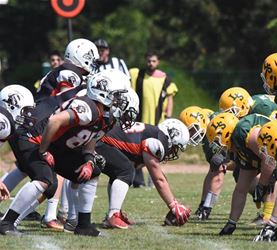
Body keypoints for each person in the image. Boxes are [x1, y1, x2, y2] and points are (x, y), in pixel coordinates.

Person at [0, 69, 133, 237]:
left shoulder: (104, 116)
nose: (118, 100)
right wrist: (43, 150)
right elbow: (55, 120)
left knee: (93, 173)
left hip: (55, 145)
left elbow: (90, 141)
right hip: (33, 137)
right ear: (103, 92)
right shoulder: (88, 107)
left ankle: (83, 225)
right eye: (116, 95)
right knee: (45, 179)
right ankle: (7, 223)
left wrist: (89, 161)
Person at [96, 118, 191, 229]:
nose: (173, 152)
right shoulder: (158, 141)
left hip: (100, 138)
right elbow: (158, 179)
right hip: (100, 141)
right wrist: (174, 205)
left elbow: (157, 173)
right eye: (175, 147)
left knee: (119, 172)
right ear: (173, 136)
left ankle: (114, 212)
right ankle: (113, 215)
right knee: (126, 172)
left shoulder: (154, 133)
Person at [129, 50, 178, 187]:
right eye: (149, 61)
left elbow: (169, 97)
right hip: (139, 122)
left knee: (156, 152)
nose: (151, 63)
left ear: (158, 62)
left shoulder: (164, 78)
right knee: (136, 151)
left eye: (154, 61)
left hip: (158, 123)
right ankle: (138, 181)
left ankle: (153, 180)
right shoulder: (136, 74)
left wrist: (168, 115)